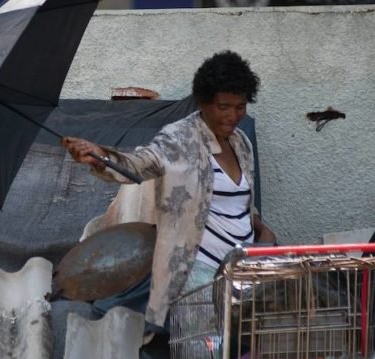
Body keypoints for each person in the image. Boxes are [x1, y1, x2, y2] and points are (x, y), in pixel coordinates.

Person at [62, 50, 276, 333]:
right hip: (199, 276)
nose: (233, 116)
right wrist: (100, 156)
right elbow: (139, 164)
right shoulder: (180, 139)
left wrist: (264, 238)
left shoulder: (242, 143)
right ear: (204, 102)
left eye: (240, 107)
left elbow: (238, 208)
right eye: (224, 106)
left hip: (244, 273)